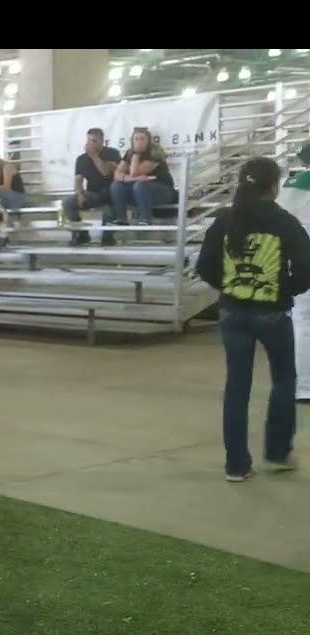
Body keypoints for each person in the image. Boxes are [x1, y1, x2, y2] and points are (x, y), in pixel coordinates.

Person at [195, 156, 310, 483]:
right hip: (272, 313)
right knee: (284, 380)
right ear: (273, 187)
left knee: (237, 386)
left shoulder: (224, 221)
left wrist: (231, 287)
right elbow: (306, 269)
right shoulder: (285, 222)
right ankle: (276, 454)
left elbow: (204, 266)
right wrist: (282, 290)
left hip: (232, 311)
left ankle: (236, 464)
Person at [62, 127, 122, 246]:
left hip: (110, 193)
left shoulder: (112, 153)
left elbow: (106, 172)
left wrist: (94, 156)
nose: (90, 144)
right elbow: (78, 180)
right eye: (89, 140)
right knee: (68, 202)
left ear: (102, 141)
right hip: (92, 193)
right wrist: (80, 194)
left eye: (94, 141)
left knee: (109, 210)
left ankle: (107, 237)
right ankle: (81, 234)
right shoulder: (81, 159)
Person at [110, 126, 176, 225]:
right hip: (139, 191)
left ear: (148, 140)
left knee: (140, 185)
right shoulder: (129, 153)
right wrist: (131, 178)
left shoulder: (155, 152)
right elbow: (117, 174)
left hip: (163, 191)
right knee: (116, 185)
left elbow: (135, 172)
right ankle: (121, 218)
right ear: (132, 141)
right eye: (136, 139)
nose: (139, 141)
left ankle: (145, 218)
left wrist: (136, 154)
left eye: (142, 139)